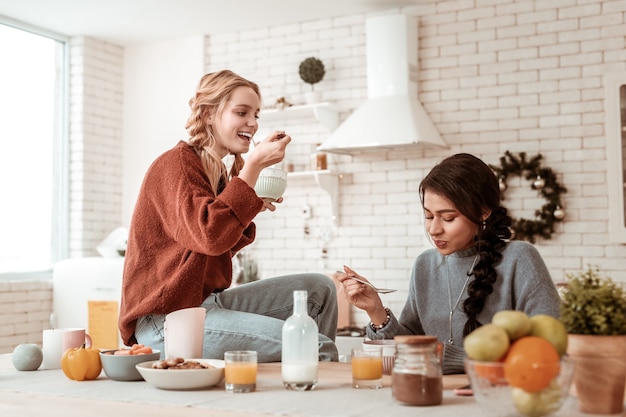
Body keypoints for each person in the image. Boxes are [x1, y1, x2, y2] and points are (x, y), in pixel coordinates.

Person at [119, 70, 338, 362]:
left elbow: (214, 247)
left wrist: (251, 206)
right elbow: (209, 236)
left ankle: (298, 381)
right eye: (242, 112)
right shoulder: (177, 164)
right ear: (209, 114)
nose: (253, 123)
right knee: (312, 344)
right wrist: (253, 167)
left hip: (202, 305)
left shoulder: (216, 174)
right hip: (167, 321)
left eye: (256, 114)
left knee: (319, 290)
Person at [337, 153, 561, 374]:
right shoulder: (424, 265)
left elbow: (547, 348)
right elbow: (407, 347)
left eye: (448, 218)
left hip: (496, 397)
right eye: (428, 216)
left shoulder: (520, 259)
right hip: (430, 395)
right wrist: (376, 310)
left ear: (484, 212)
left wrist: (455, 359)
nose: (434, 229)